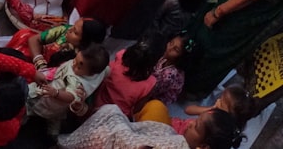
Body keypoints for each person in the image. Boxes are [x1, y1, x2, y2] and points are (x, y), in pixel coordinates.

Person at [185, 0, 283, 97]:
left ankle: (189, 84)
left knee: (210, 44)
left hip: (239, 13)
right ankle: (195, 87)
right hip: (263, 11)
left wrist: (218, 12)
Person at [58, 103, 244, 149]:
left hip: (126, 142)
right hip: (134, 137)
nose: (189, 125)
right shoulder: (182, 141)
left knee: (108, 120)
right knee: (113, 113)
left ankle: (64, 143)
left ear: (204, 146)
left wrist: (118, 126)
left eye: (196, 127)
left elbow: (131, 144)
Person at [27, 44, 110, 135]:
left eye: (79, 67)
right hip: (60, 108)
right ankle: (53, 134)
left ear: (91, 73)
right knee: (55, 117)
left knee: (29, 105)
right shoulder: (102, 71)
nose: (74, 65)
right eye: (75, 60)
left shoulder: (75, 80)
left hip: (49, 98)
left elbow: (71, 96)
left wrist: (56, 93)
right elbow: (107, 70)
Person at [93, 41, 161, 117]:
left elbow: (104, 75)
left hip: (97, 104)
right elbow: (137, 109)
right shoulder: (151, 83)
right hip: (118, 116)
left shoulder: (120, 55)